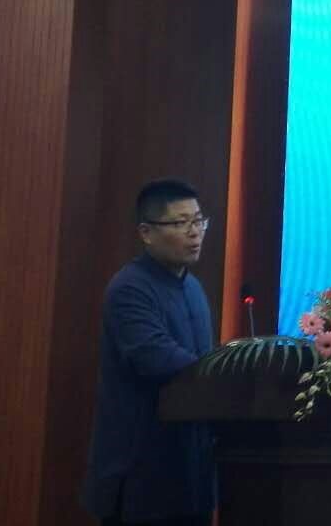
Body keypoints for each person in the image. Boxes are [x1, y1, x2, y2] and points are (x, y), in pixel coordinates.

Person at [81, 179, 216, 526]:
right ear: (146, 232)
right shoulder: (129, 288)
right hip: (141, 476)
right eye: (180, 223)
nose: (194, 232)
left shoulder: (194, 288)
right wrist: (223, 373)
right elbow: (157, 358)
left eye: (198, 221)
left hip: (190, 478)